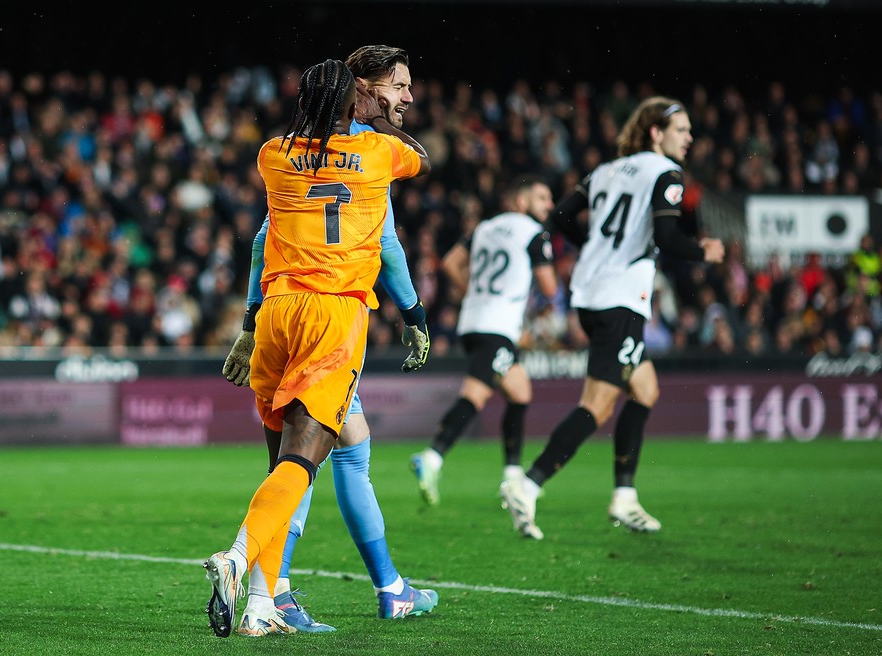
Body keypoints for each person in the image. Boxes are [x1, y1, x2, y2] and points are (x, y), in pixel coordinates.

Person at [203, 58, 431, 638]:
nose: (406, 95)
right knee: (301, 464)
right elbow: (416, 173)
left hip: (276, 312)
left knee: (344, 445)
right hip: (333, 318)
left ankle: (287, 601)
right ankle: (244, 563)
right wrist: (413, 314)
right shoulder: (378, 156)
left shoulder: (273, 155)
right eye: (398, 87)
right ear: (363, 92)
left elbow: (262, 241)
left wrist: (249, 324)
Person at [499, 96, 725, 540]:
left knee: (645, 389)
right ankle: (528, 484)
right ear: (656, 133)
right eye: (681, 129)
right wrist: (705, 251)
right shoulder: (666, 174)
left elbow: (560, 215)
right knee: (598, 406)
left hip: (590, 291)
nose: (689, 137)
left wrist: (597, 246)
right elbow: (666, 236)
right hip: (621, 298)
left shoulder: (604, 171)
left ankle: (625, 497)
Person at [409, 175, 558, 506]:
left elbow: (449, 263)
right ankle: (431, 458)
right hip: (499, 326)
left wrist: (472, 291)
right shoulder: (534, 234)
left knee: (520, 392)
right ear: (522, 201)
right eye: (541, 197)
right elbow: (549, 288)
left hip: (473, 320)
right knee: (474, 396)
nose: (548, 204)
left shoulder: (485, 227)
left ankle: (513, 477)